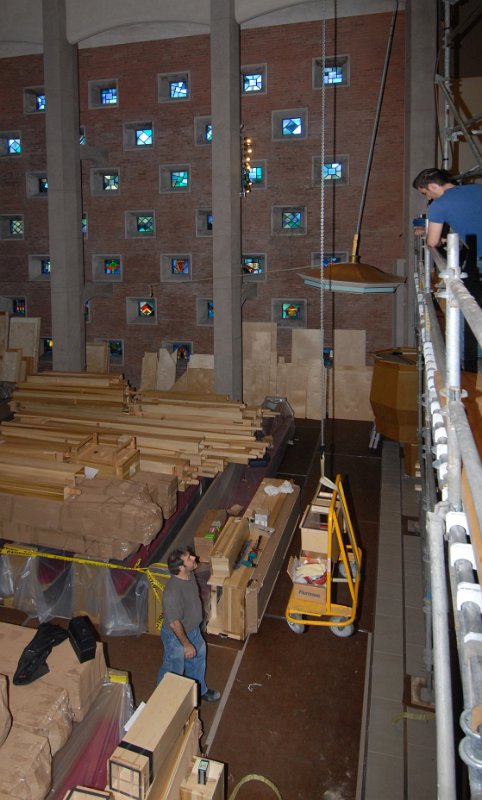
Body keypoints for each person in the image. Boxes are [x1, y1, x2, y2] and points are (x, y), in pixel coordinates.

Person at [157, 547, 221, 702]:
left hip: (193, 631)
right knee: (174, 669)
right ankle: (163, 700)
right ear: (181, 568)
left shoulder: (189, 574)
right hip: (176, 638)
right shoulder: (172, 593)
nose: (194, 557)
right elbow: (174, 623)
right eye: (189, 558)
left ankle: (199, 692)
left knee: (198, 660)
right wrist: (186, 644)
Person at [412, 168, 482, 268]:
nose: (429, 197)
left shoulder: (438, 205)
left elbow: (432, 242)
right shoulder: (478, 188)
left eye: (425, 193)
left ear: (432, 186)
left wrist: (427, 234)